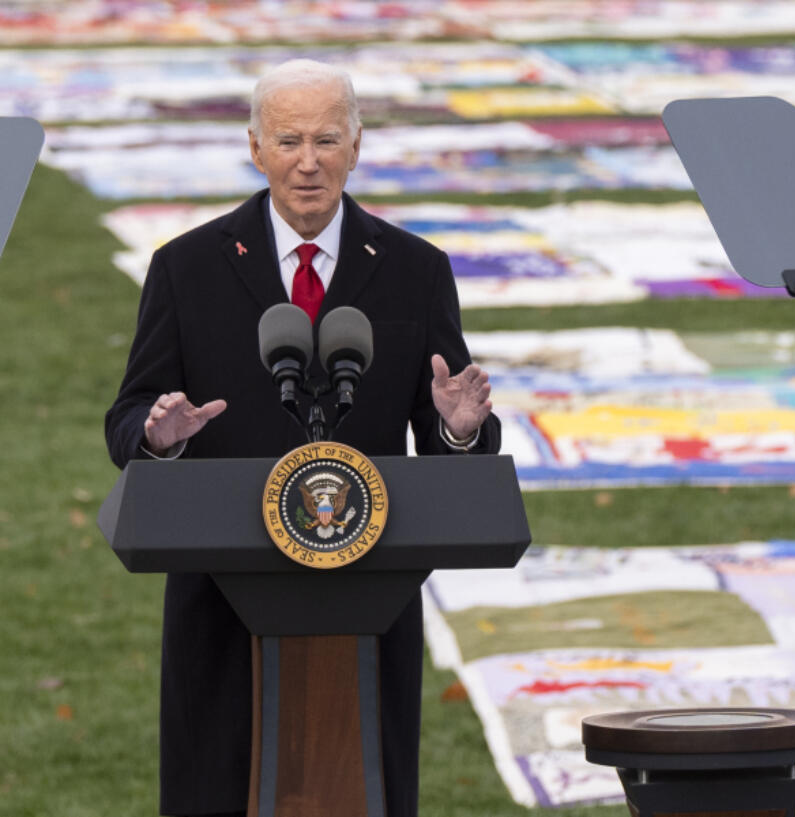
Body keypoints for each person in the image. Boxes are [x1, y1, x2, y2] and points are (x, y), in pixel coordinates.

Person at [104, 59, 499, 817]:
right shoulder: (186, 269)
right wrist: (161, 438)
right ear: (255, 148)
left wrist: (456, 431)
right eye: (288, 140)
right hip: (221, 603)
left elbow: (457, 437)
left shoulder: (416, 271)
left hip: (369, 598)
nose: (308, 161)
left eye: (327, 139)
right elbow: (128, 420)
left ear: (358, 146)